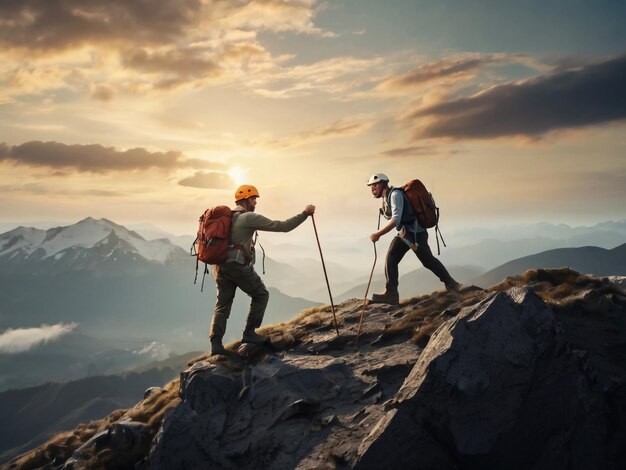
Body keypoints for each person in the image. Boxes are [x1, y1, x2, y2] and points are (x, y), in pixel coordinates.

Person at [209, 184, 315, 356]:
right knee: (261, 294)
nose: (255, 203)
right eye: (254, 199)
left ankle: (216, 345)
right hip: (237, 266)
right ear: (246, 200)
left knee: (222, 305)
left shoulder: (228, 218)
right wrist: (305, 213)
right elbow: (282, 226)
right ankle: (249, 333)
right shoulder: (248, 217)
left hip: (220, 267)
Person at [367, 173, 460, 305]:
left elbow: (396, 219)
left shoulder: (394, 195)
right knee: (392, 257)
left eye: (375, 185)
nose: (373, 188)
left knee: (427, 261)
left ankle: (452, 284)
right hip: (406, 234)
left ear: (383, 184)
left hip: (415, 234)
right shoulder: (387, 197)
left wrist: (378, 234)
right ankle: (391, 293)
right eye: (371, 186)